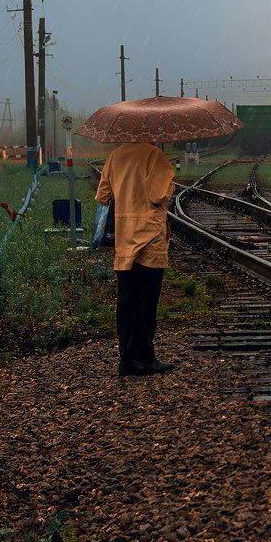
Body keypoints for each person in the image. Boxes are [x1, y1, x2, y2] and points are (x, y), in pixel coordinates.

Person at [96, 142, 176, 376]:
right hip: (149, 238)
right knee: (146, 301)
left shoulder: (115, 155)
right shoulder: (155, 155)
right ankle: (145, 357)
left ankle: (127, 359)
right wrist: (170, 182)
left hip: (125, 238)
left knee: (127, 301)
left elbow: (103, 195)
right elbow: (158, 194)